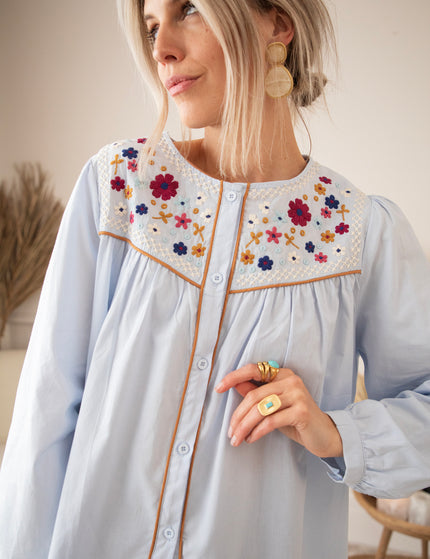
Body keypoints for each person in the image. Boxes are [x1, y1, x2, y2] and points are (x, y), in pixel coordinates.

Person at [0, 0, 429, 557]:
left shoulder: (357, 232)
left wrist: (335, 432)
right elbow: (44, 417)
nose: (161, 50)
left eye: (189, 9)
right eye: (152, 27)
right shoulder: (122, 188)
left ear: (278, 23)